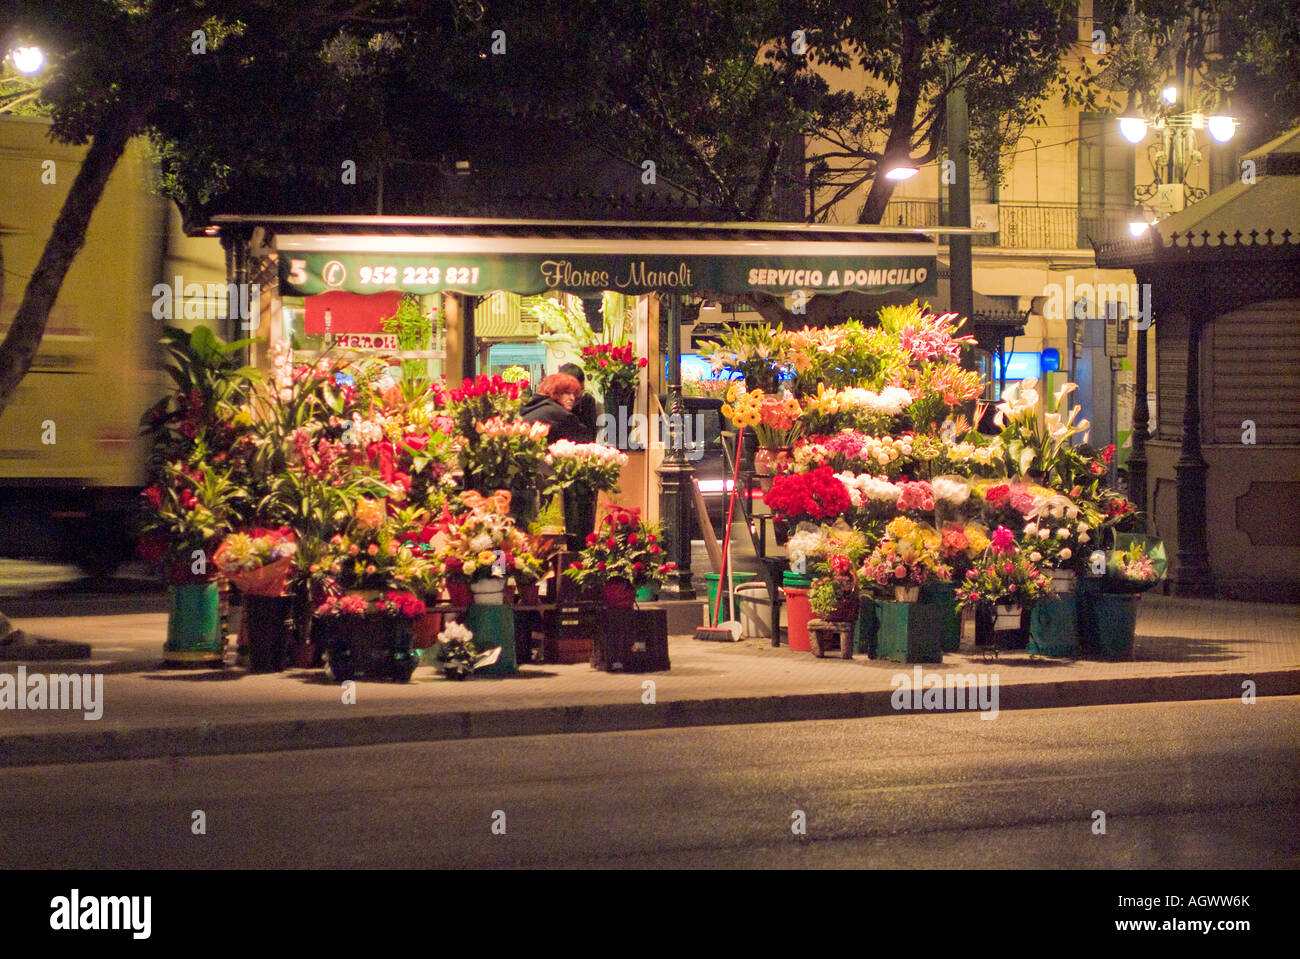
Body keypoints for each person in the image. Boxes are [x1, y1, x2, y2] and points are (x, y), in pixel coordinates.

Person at [520, 372, 596, 444]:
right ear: (555, 392)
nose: (572, 398)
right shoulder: (559, 414)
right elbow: (587, 439)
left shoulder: (534, 405)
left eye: (574, 394)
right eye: (567, 393)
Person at [559, 362, 600, 437]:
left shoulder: (587, 400)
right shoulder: (552, 406)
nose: (576, 396)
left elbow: (591, 433)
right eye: (574, 391)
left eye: (581, 390)